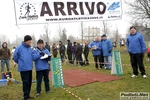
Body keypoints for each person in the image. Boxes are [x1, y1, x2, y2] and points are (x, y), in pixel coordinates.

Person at [13, 35, 34, 100]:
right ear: (26, 41)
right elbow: (15, 57)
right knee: (25, 82)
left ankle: (28, 94)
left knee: (29, 82)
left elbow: (32, 56)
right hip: (23, 68)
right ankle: (26, 96)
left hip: (29, 67)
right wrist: (20, 62)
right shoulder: (19, 48)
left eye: (31, 40)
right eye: (29, 40)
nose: (30, 42)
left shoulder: (30, 48)